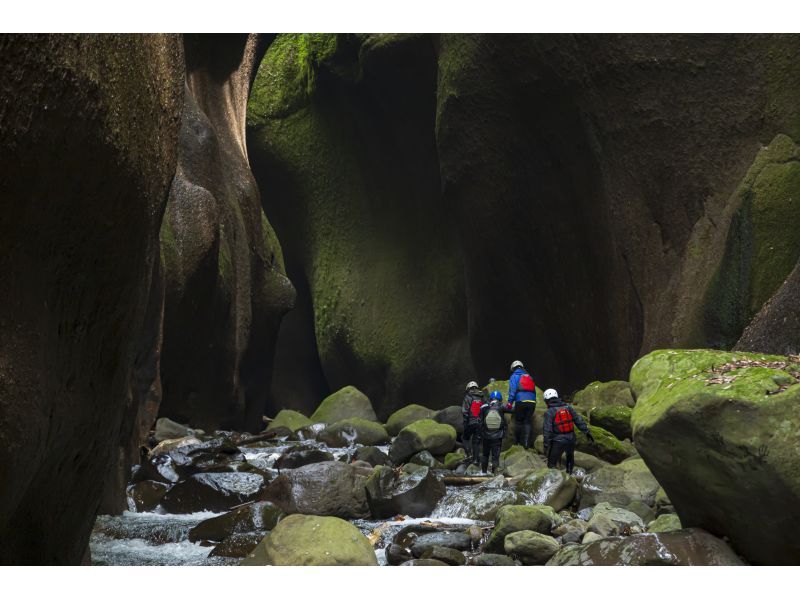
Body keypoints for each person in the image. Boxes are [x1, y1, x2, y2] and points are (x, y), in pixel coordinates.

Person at [542, 388, 593, 474]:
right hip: (571, 439)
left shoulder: (550, 412)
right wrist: (586, 431)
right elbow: (578, 420)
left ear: (547, 400)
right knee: (570, 456)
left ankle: (554, 482)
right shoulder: (568, 407)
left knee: (551, 464)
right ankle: (569, 473)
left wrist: (546, 444)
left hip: (558, 441)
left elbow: (547, 430)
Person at [506, 360, 537, 448]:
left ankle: (517, 443)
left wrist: (509, 403)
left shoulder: (514, 376)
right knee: (527, 422)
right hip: (532, 402)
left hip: (520, 401)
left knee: (518, 422)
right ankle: (526, 443)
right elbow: (534, 391)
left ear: (513, 368)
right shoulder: (529, 376)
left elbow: (512, 390)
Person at [480, 391, 508, 474]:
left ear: (490, 398)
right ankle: (494, 474)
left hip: (486, 436)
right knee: (495, 456)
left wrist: (480, 434)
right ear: (500, 399)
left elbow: (480, 421)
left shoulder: (484, 407)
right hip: (497, 436)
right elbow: (513, 409)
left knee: (485, 455)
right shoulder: (501, 406)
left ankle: (483, 473)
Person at [461, 380, 486, 465]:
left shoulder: (468, 396)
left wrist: (465, 423)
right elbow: (486, 409)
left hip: (470, 422)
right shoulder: (482, 397)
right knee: (476, 442)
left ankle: (468, 454)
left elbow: (465, 411)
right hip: (480, 423)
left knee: (465, 438)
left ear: (468, 388)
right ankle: (476, 460)